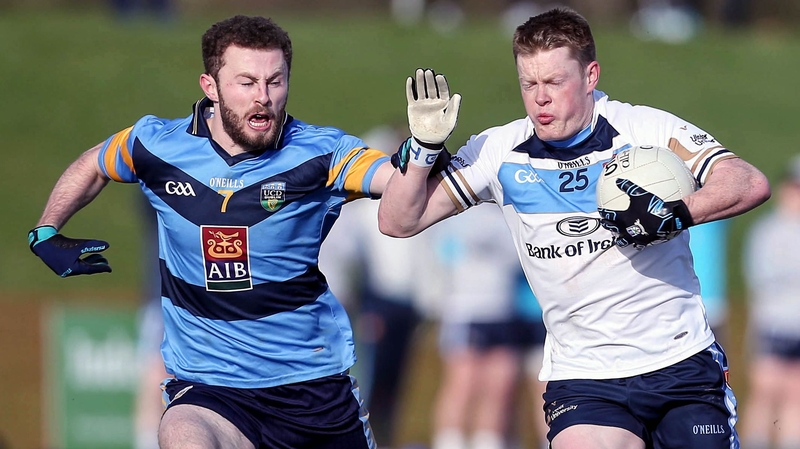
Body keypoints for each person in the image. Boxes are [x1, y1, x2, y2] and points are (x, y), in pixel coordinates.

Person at [378, 7, 770, 449]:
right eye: (529, 84)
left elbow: (747, 181)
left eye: (553, 83)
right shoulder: (498, 150)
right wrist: (424, 153)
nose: (539, 98)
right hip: (584, 376)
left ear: (590, 76)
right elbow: (398, 221)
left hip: (679, 360)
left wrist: (676, 212)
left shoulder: (646, 128)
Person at [27, 15, 395, 449]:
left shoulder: (324, 151)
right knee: (184, 437)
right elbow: (94, 163)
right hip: (210, 389)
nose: (262, 98)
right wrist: (46, 231)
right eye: (246, 82)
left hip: (312, 388)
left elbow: (395, 180)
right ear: (210, 87)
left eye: (274, 82)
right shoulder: (155, 144)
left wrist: (423, 154)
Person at [428, 203, 546, 449]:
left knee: (499, 388)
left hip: (503, 309)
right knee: (463, 384)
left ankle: (488, 443)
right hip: (465, 309)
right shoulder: (455, 213)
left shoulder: (509, 213)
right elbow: (441, 254)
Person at [740, 155, 800, 449]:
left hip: (796, 323)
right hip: (774, 322)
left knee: (796, 394)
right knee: (766, 391)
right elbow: (762, 277)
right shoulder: (770, 230)